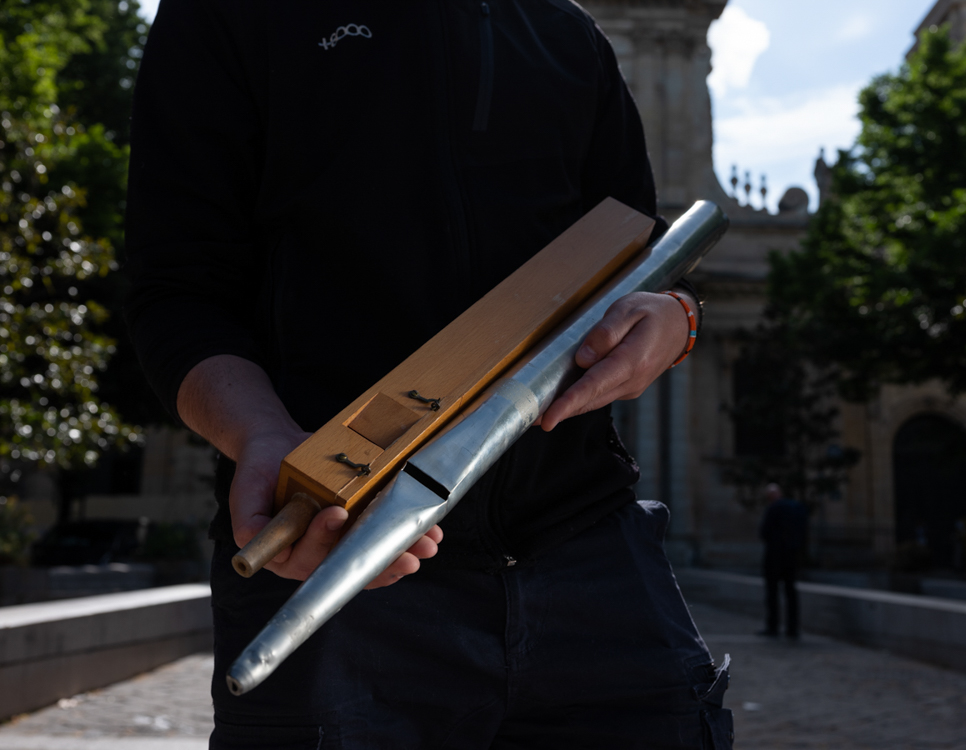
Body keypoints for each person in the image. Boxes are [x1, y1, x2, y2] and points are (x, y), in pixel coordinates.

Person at [124, 1, 734, 747]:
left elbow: (639, 259)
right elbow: (177, 290)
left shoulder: (567, 31)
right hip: (335, 547)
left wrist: (677, 320)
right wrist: (261, 434)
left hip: (588, 549)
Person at [758, 483, 808, 639]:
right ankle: (792, 628)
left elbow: (764, 532)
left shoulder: (773, 509)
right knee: (790, 591)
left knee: (773, 592)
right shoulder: (797, 507)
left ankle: (773, 626)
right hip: (791, 555)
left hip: (775, 555)